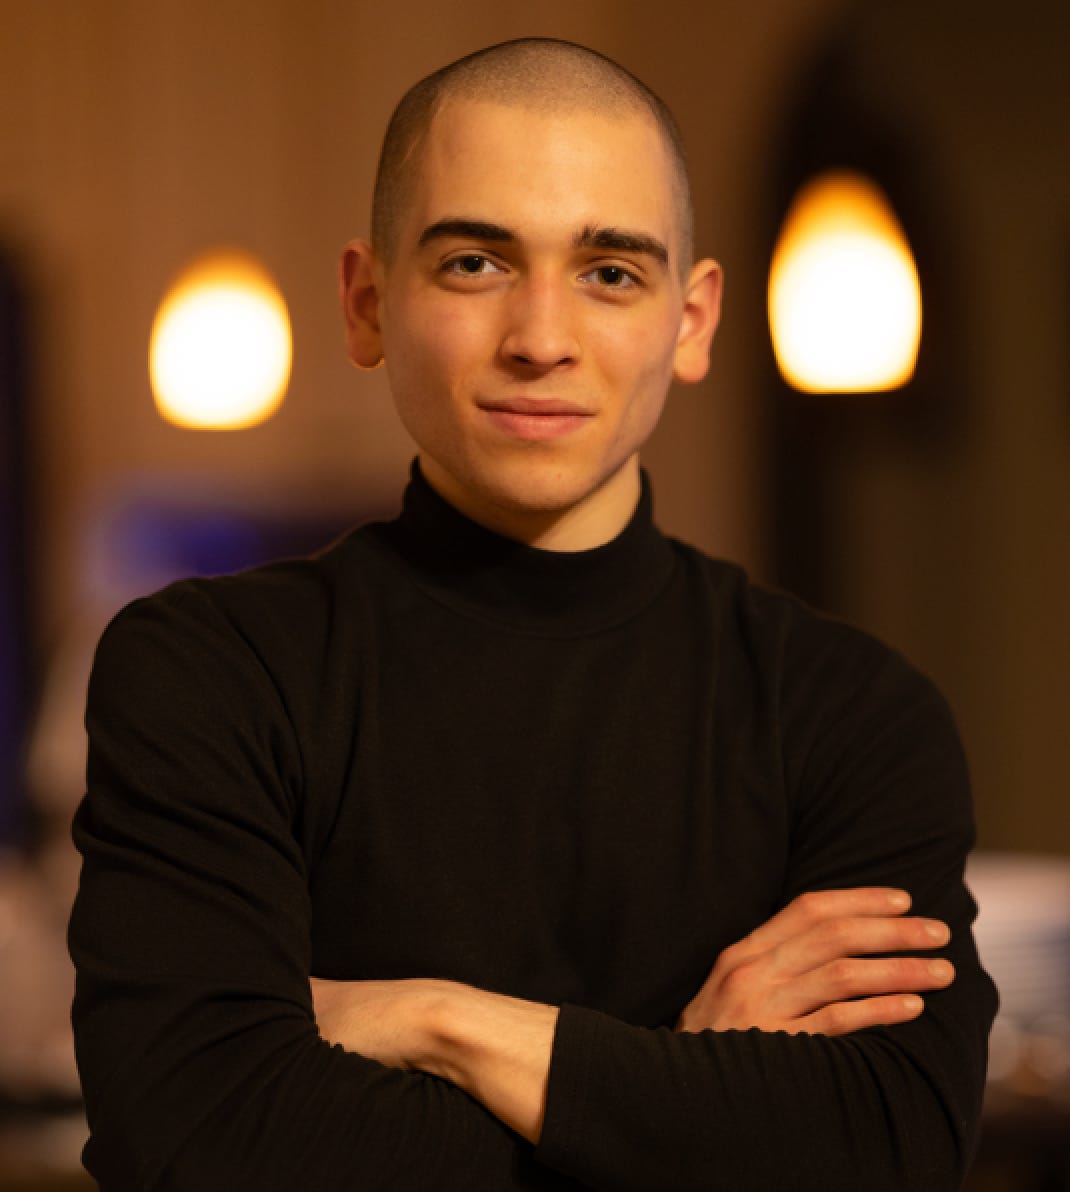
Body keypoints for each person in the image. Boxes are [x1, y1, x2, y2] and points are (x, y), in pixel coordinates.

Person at [69, 37, 996, 1191]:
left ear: (691, 321)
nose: (541, 339)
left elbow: (891, 1146)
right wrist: (683, 1086)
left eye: (609, 272)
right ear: (367, 303)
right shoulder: (209, 671)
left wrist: (440, 1023)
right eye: (474, 262)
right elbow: (196, 1143)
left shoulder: (848, 712)